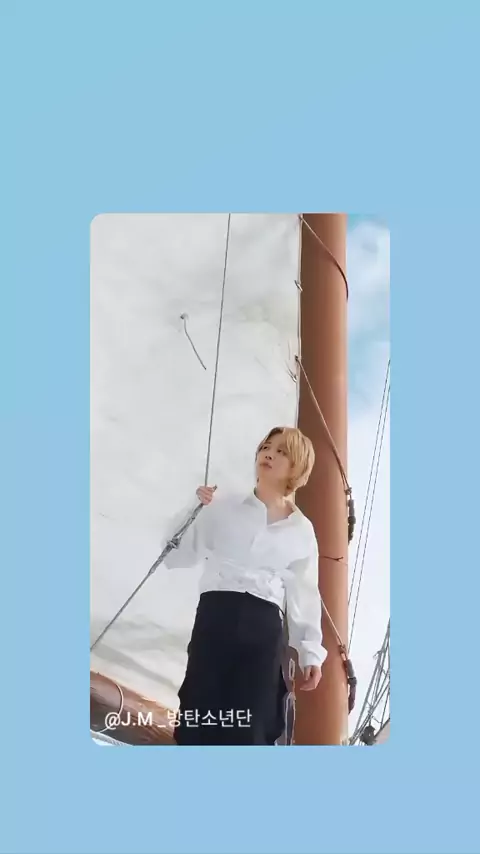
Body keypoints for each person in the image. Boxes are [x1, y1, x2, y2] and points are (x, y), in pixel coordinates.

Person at [164, 426, 327, 745]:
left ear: (297, 466)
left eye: (281, 451)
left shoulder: (302, 530)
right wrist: (193, 507)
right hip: (216, 615)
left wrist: (310, 654)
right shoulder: (221, 506)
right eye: (266, 447)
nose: (268, 454)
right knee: (199, 710)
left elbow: (304, 592)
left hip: (263, 627)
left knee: (252, 722)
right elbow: (175, 556)